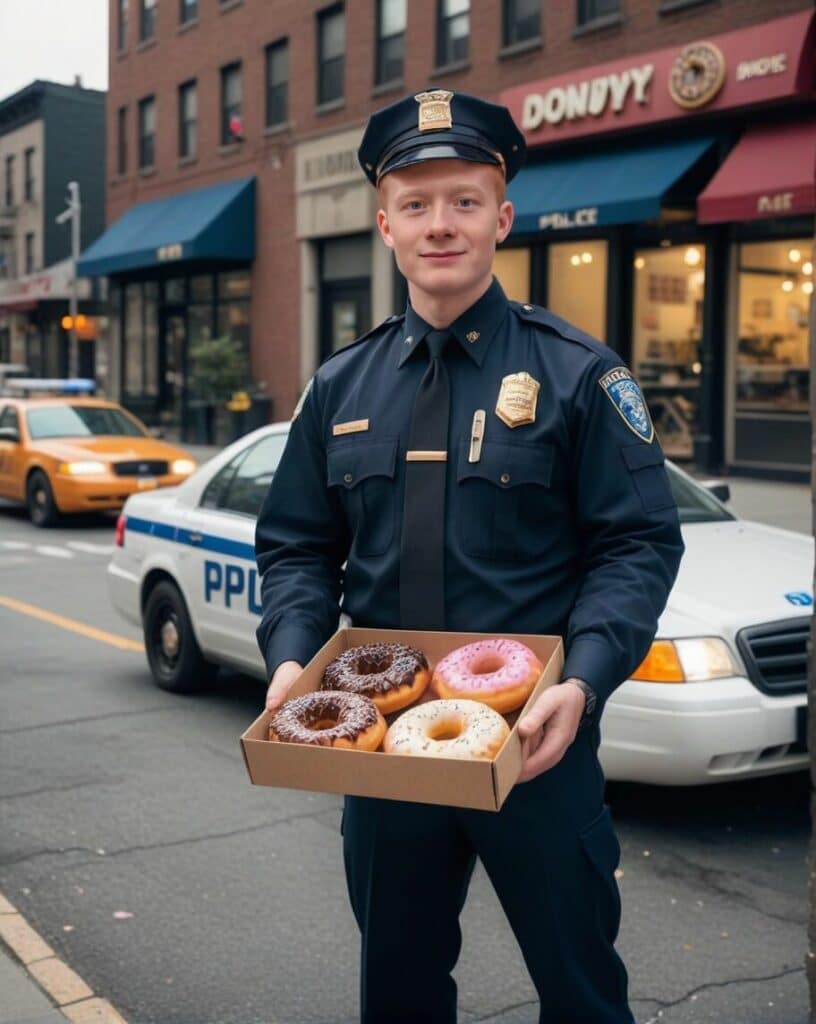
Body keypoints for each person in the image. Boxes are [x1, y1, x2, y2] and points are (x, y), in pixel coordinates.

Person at [255, 89, 684, 1024]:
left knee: (581, 991)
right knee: (398, 991)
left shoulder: (579, 373)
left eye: (462, 199)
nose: (439, 224)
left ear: (503, 216)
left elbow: (638, 540)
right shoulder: (340, 386)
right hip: (384, 750)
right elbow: (296, 544)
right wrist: (291, 653)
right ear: (385, 225)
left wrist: (590, 678)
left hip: (538, 740)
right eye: (416, 204)